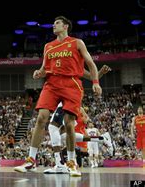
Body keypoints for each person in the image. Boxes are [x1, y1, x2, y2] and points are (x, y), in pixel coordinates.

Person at [14, 16, 101, 177]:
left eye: (57, 23)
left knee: (69, 124)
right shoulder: (48, 46)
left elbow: (90, 63)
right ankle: (31, 159)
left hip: (71, 84)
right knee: (41, 118)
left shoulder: (77, 43)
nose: (54, 25)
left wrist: (95, 82)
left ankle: (71, 162)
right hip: (51, 85)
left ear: (66, 26)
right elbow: (43, 69)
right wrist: (38, 73)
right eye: (53, 23)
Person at [43, 65, 113, 174]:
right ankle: (100, 139)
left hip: (70, 96)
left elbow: (92, 76)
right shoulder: (57, 61)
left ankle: (61, 164)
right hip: (67, 97)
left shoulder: (72, 62)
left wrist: (100, 75)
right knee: (63, 136)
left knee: (52, 127)